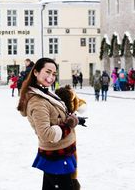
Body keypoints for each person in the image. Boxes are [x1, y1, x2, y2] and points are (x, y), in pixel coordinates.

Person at [17, 57, 81, 190]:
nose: (51, 77)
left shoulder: (45, 92)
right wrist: (69, 124)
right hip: (56, 157)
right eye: (47, 72)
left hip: (60, 154)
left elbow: (57, 116)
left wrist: (74, 119)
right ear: (36, 72)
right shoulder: (37, 101)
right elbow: (47, 134)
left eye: (54, 74)